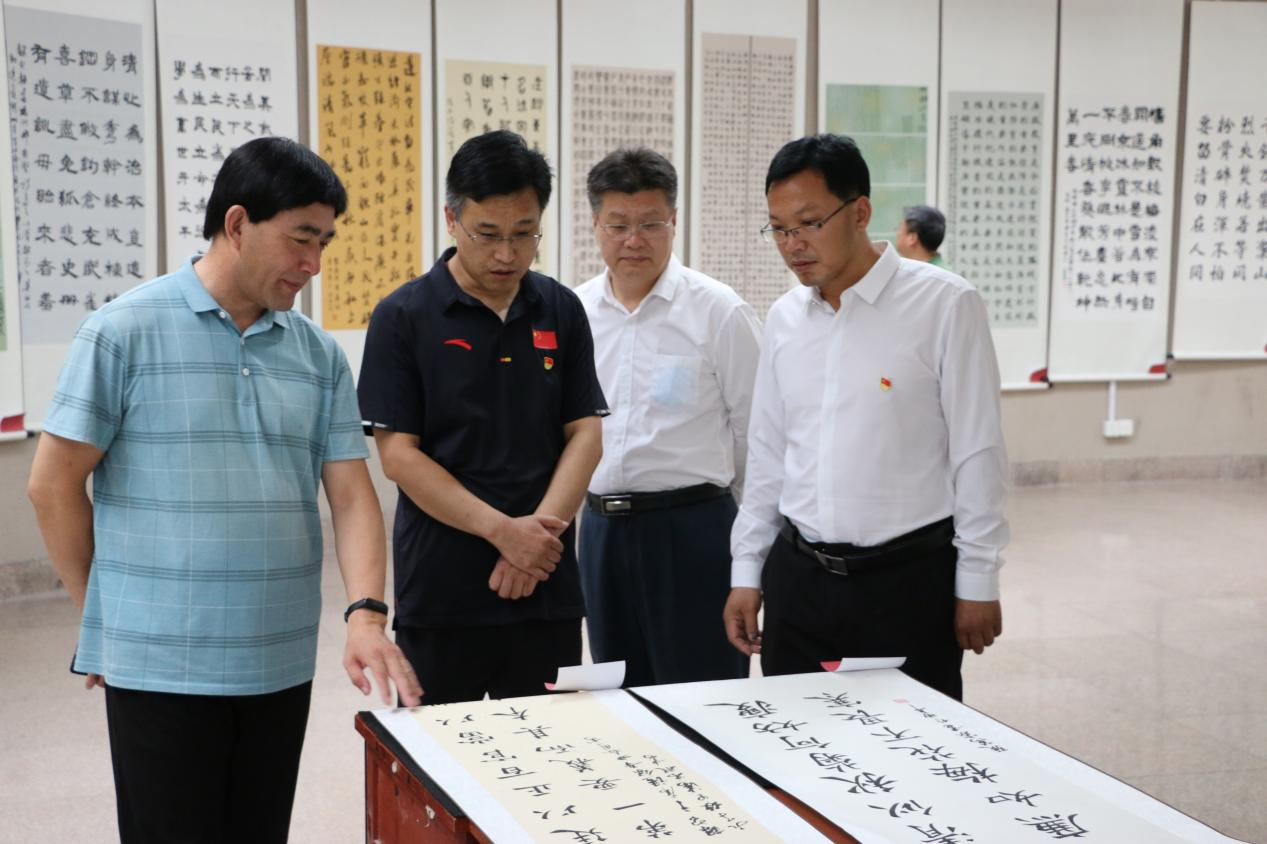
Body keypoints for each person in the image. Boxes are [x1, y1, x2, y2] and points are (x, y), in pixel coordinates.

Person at [26, 136, 421, 844]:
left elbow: (353, 496)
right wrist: (103, 619)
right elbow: (52, 485)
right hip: (159, 665)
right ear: (237, 224)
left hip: (279, 659)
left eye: (324, 242)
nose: (314, 263)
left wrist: (366, 615)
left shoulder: (317, 354)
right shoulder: (123, 332)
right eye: (301, 238)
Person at [723, 134, 1008, 701]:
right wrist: (747, 570)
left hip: (907, 580)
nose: (793, 245)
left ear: (859, 212)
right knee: (797, 739)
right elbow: (769, 454)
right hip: (800, 578)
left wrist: (978, 578)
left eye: (809, 223)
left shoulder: (945, 305)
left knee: (913, 742)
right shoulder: (784, 318)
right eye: (778, 228)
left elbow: (977, 451)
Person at [359, 130, 606, 704]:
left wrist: (537, 540)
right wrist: (504, 533)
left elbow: (586, 433)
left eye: (525, 234)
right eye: (488, 234)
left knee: (550, 748)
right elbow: (398, 457)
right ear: (451, 219)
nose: (506, 254)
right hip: (443, 593)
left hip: (544, 587)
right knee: (443, 749)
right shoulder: (403, 316)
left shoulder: (561, 309)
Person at [575, 148, 762, 687]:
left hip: (694, 531)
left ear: (674, 221)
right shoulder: (574, 312)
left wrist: (750, 559)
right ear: (595, 224)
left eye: (651, 224)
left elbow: (758, 436)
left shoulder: (718, 311)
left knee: (704, 697)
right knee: (619, 696)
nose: (634, 240)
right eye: (618, 225)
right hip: (602, 532)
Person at [895, 203, 952, 270]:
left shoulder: (933, 273)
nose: (897, 234)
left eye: (900, 228)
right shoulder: (941, 271)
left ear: (912, 238)